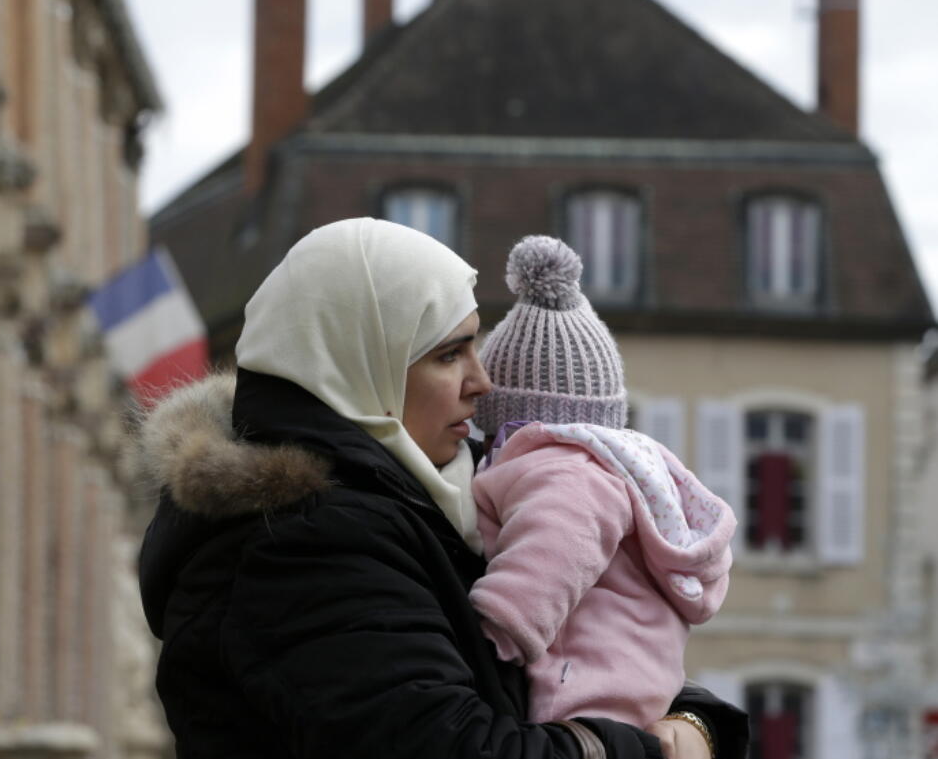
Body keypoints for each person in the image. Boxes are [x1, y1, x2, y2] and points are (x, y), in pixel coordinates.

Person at [136, 218, 747, 759]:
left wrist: (694, 721)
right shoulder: (301, 542)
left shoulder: (432, 495)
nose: (481, 381)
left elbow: (580, 649)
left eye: (474, 345)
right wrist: (643, 749)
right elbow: (454, 742)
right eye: (448, 354)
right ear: (365, 360)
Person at [468, 236, 736, 733]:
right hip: (634, 684)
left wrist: (494, 629)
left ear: (513, 419)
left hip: (580, 690)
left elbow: (554, 551)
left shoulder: (564, 469)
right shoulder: (619, 465)